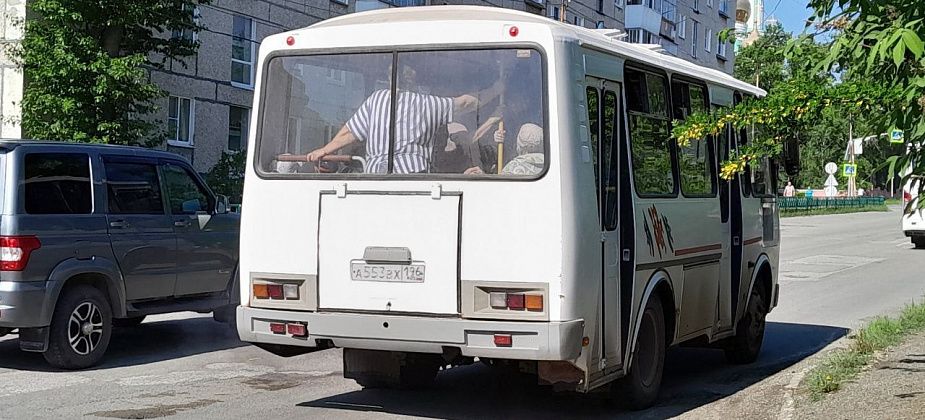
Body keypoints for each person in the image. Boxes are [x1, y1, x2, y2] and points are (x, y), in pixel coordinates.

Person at [306, 63, 488, 174]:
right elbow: (465, 103)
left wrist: (324, 149)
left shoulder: (376, 99)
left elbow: (349, 132)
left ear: (390, 78)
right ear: (413, 81)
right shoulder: (426, 103)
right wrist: (497, 89)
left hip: (374, 178)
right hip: (414, 176)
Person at [465, 123, 544, 175]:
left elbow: (498, 189)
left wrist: (483, 177)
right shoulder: (551, 162)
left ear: (519, 144)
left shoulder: (512, 168)